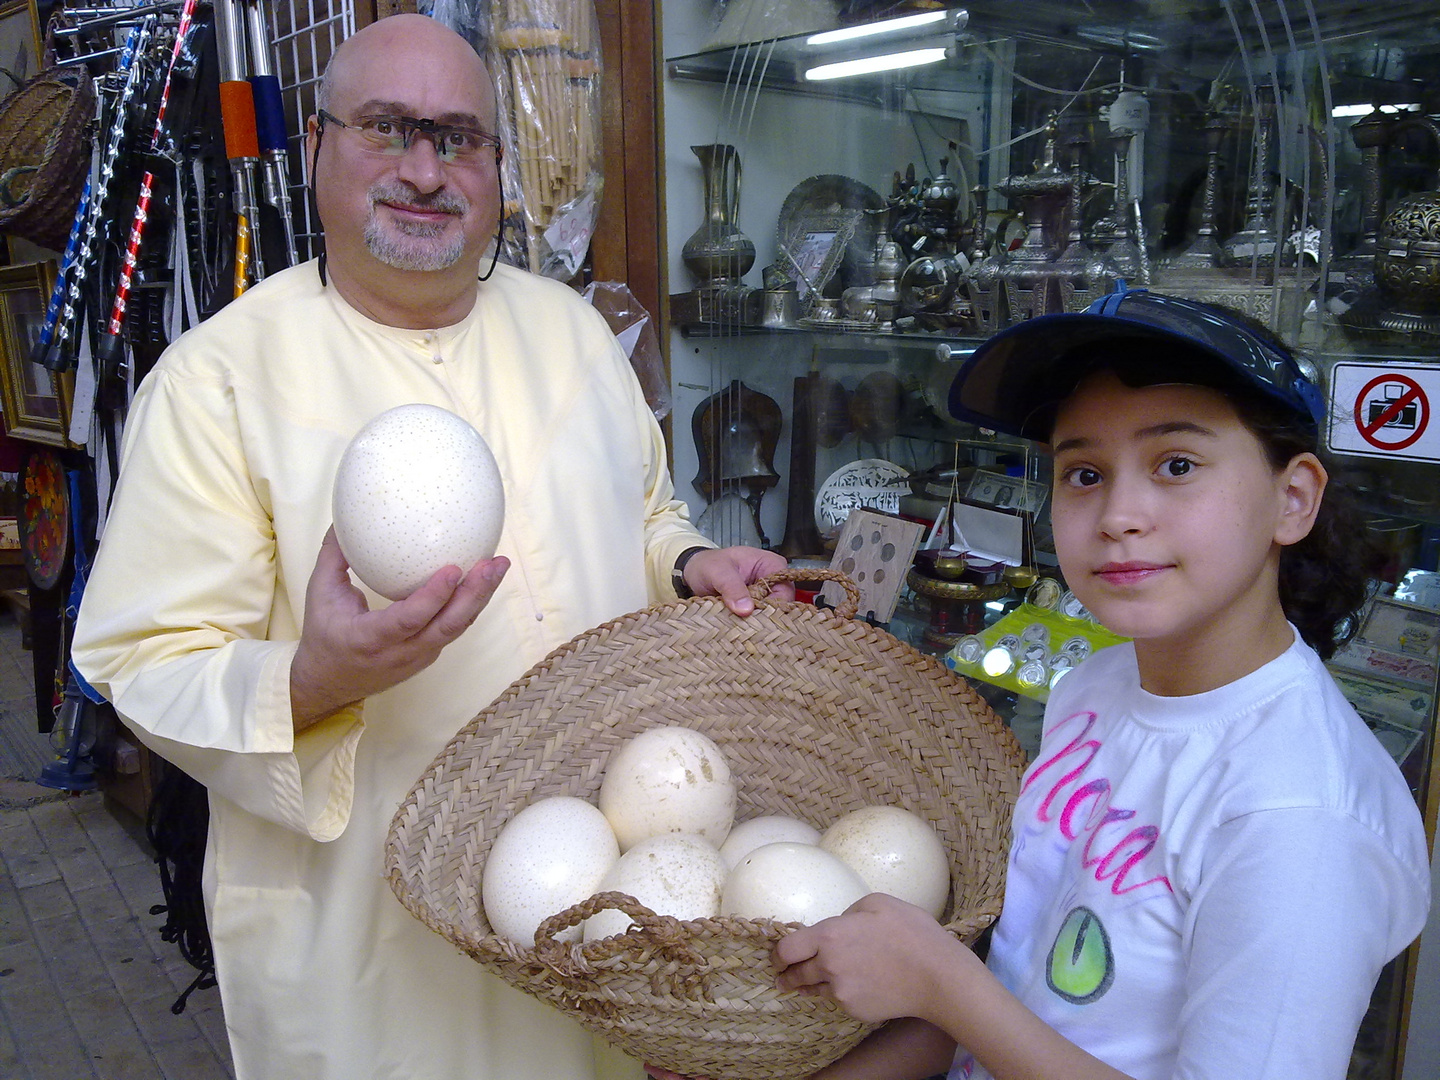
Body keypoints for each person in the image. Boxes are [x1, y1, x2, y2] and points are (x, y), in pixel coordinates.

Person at [71, 13, 786, 1080]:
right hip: (372, 949)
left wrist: (689, 565)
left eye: (458, 137)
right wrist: (310, 679)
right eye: (386, 128)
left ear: (497, 166)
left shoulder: (570, 333)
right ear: (315, 148)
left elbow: (642, 512)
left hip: (605, 909)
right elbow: (143, 657)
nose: (423, 169)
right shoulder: (218, 381)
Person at [765, 289, 1431, 1080]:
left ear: (1293, 499)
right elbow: (1022, 992)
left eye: (1176, 465)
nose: (1118, 514)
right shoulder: (1099, 685)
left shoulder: (1298, 818)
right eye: (1083, 472)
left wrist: (942, 985)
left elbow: (969, 1003)